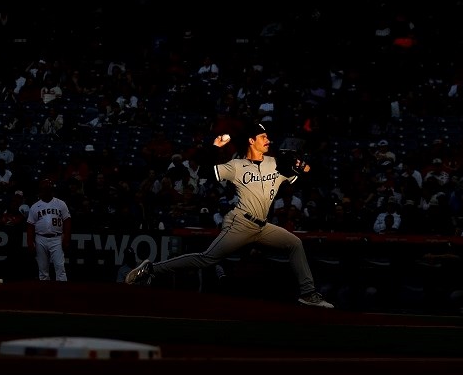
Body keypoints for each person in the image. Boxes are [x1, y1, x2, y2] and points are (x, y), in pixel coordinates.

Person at [126, 120, 334, 308]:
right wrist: (214, 147)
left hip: (262, 226)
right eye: (263, 137)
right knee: (207, 259)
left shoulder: (277, 163)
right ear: (252, 141)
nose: (268, 140)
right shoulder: (237, 166)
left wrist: (305, 168)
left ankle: (308, 294)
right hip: (240, 224)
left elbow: (313, 179)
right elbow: (204, 172)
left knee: (295, 243)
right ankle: (152, 269)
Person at [27, 180, 71, 281]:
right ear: (41, 190)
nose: (46, 191)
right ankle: (44, 294)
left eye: (48, 189)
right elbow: (30, 225)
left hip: (57, 238)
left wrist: (67, 237)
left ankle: (62, 292)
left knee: (60, 267)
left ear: (52, 190)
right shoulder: (35, 206)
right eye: (44, 189)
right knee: (43, 270)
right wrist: (30, 242)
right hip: (40, 238)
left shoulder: (61, 204)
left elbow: (67, 221)